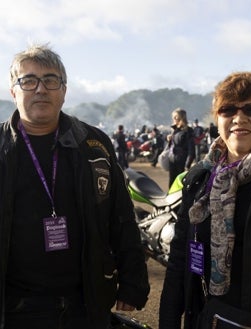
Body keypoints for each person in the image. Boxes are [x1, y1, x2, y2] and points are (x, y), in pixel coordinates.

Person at [0, 43, 150, 329]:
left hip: (86, 302)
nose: (40, 89)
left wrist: (133, 280)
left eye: (50, 80)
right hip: (16, 306)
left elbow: (121, 215)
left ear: (64, 91)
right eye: (28, 80)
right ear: (13, 91)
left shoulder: (93, 144)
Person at [159, 72, 251, 329]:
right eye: (227, 110)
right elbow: (180, 257)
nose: (239, 118)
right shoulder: (201, 177)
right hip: (205, 317)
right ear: (217, 118)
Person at [167, 108, 195, 187]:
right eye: (173, 117)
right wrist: (170, 139)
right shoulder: (174, 129)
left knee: (180, 183)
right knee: (172, 181)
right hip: (172, 159)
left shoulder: (188, 131)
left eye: (176, 117)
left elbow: (191, 150)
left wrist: (187, 165)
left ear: (181, 117)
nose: (174, 119)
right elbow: (171, 146)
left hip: (181, 161)